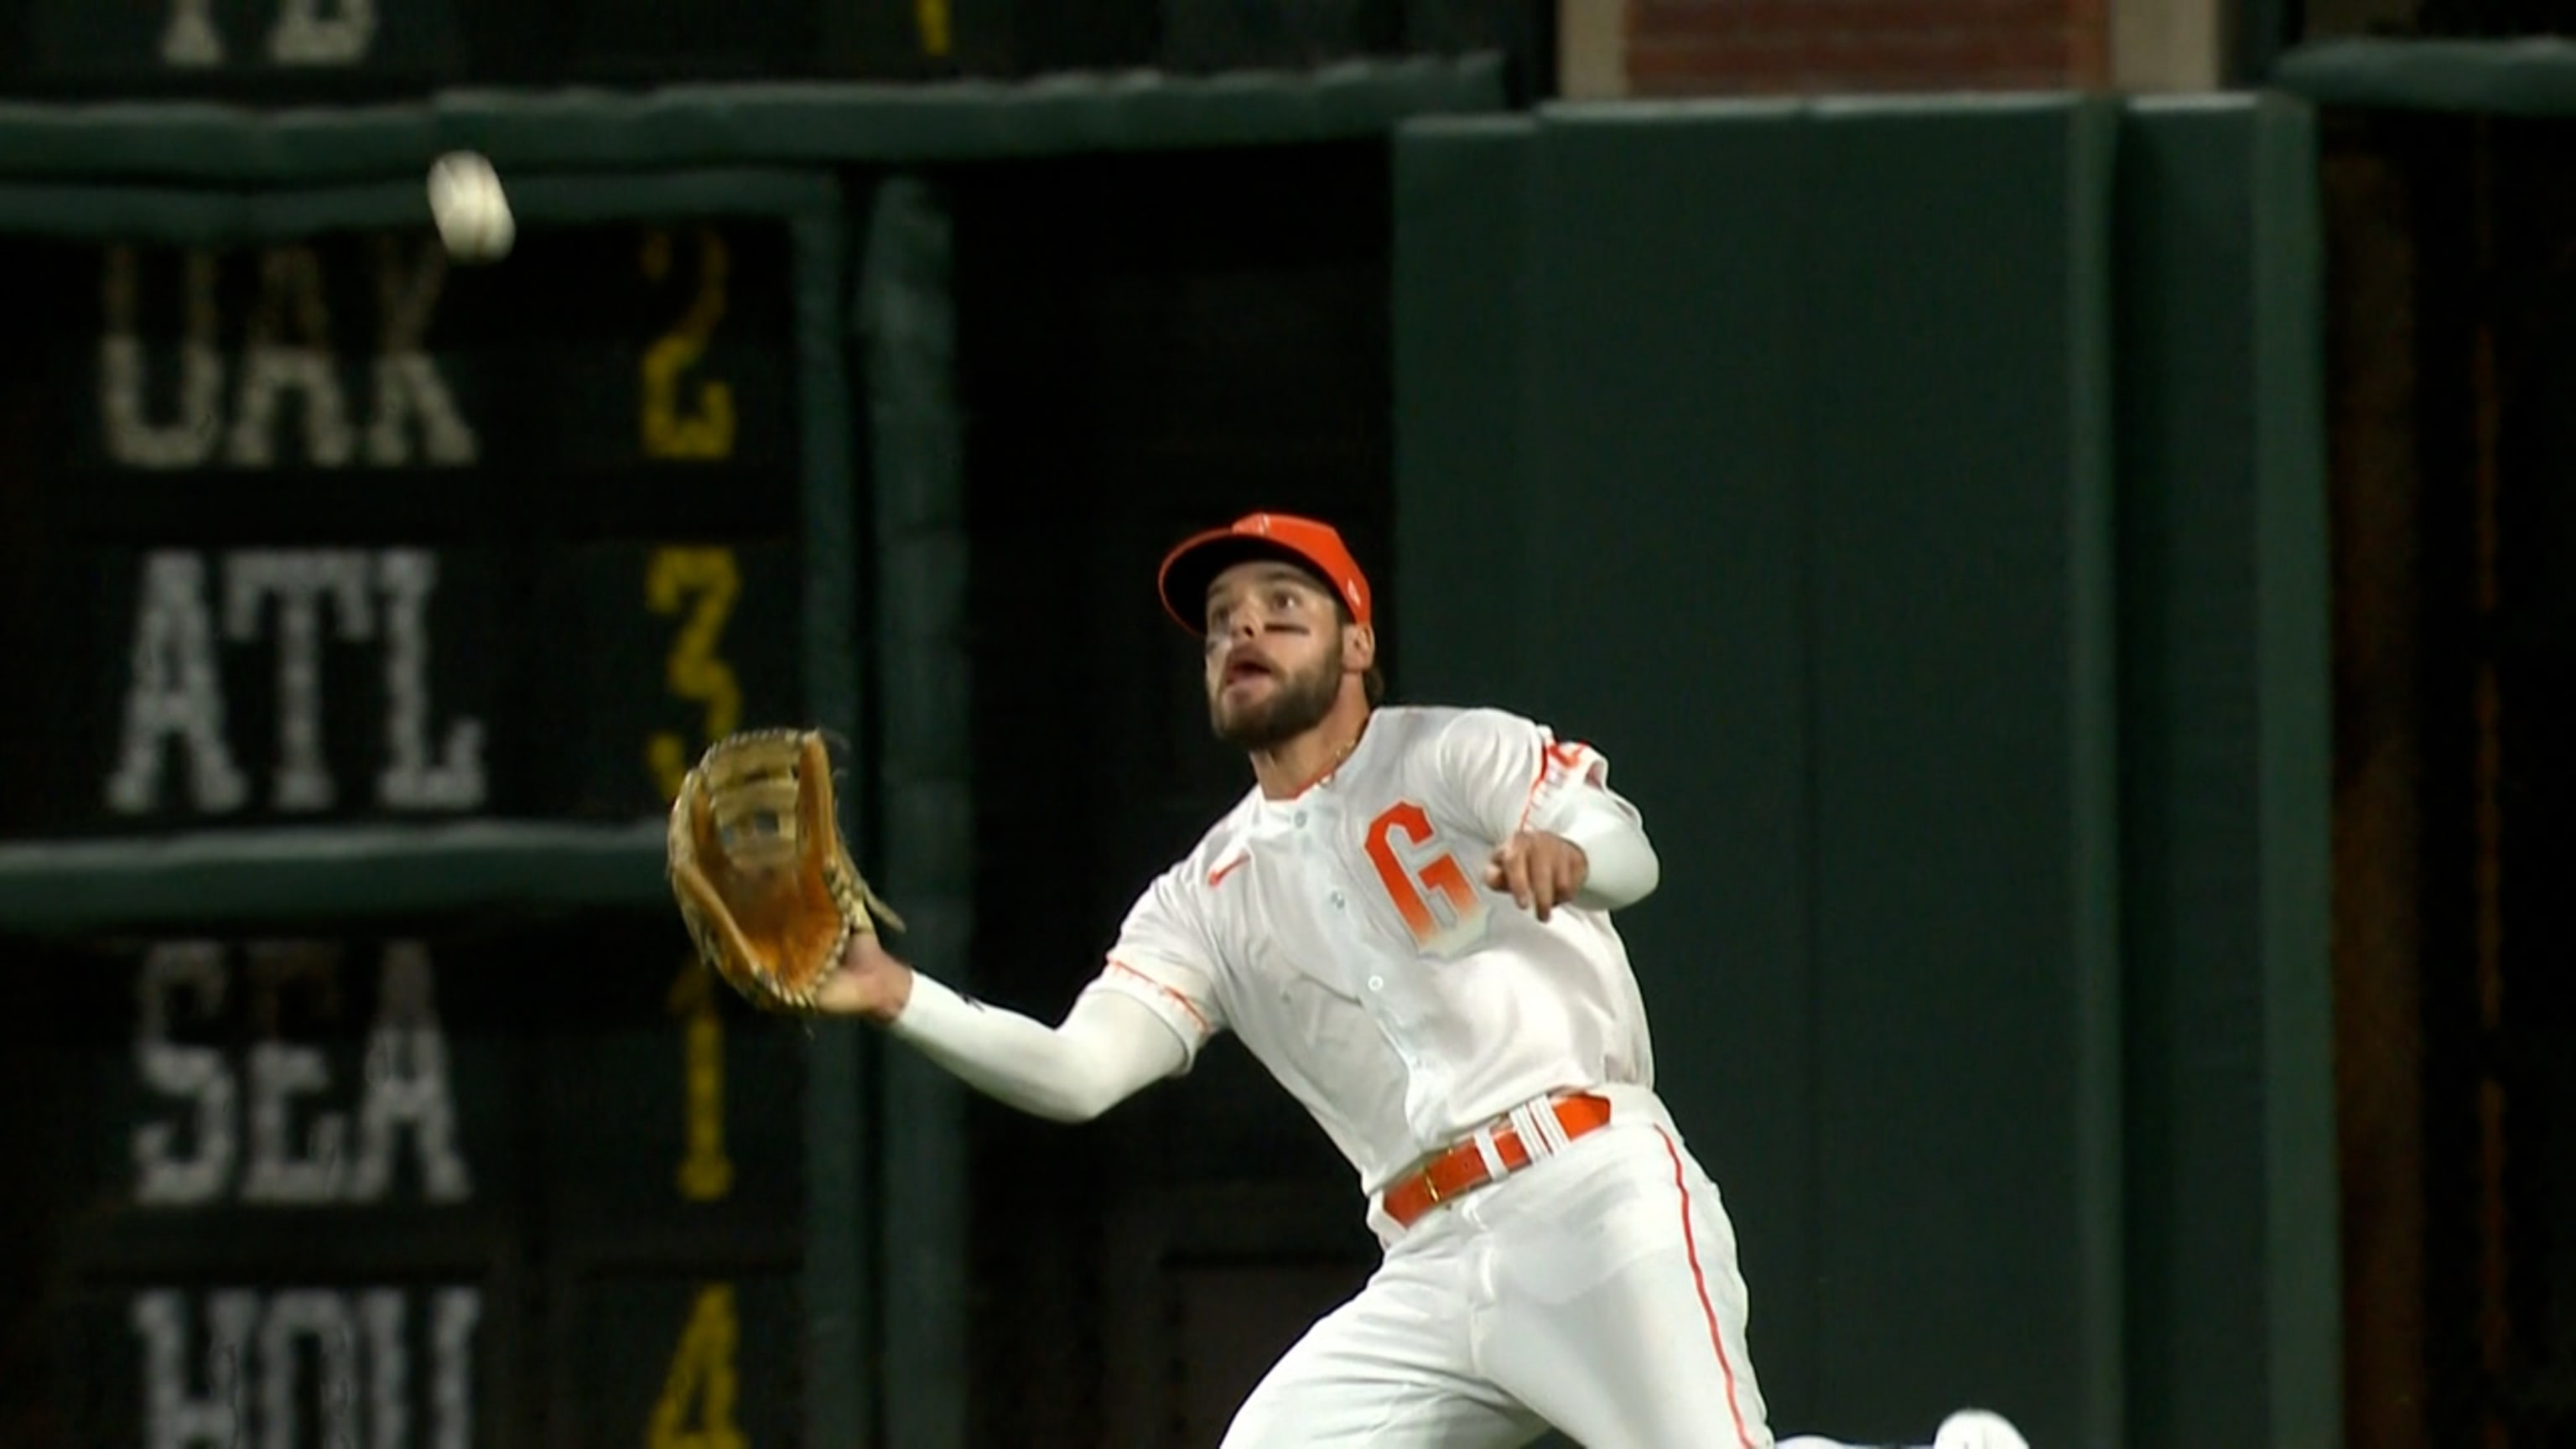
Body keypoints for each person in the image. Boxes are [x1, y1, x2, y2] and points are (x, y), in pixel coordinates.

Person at [815, 512, 2028, 1449]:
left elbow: (1627, 844)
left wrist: (1574, 855)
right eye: (1223, 617)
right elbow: (1081, 1074)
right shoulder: (1203, 892)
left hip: (1587, 1190)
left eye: (1282, 606)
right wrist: (898, 995)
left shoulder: (1451, 752)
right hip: (1429, 1261)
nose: (1243, 631)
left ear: (1358, 642)